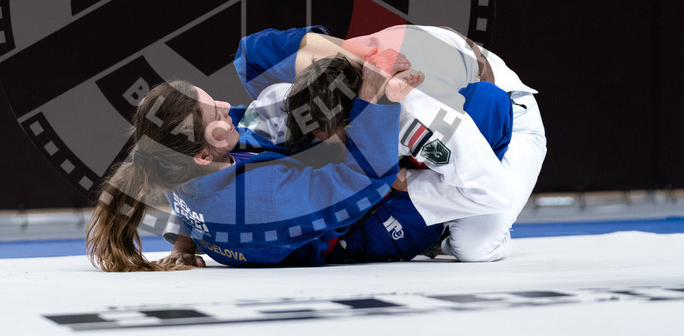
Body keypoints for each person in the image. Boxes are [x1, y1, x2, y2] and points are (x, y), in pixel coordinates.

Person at [86, 26, 514, 271]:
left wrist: (183, 248)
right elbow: (367, 178)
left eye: (208, 98)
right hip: (365, 226)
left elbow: (190, 202)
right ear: (202, 156)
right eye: (214, 115)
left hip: (304, 188)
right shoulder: (263, 199)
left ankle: (350, 56)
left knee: (252, 56)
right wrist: (376, 97)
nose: (223, 104)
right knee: (487, 107)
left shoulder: (177, 168)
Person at [237, 24, 546, 262]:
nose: (332, 146)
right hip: (426, 62)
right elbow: (248, 53)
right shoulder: (293, 90)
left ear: (365, 111)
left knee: (474, 246)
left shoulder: (422, 119)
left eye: (340, 136)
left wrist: (407, 181)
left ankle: (442, 231)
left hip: (506, 113)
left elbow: (493, 193)